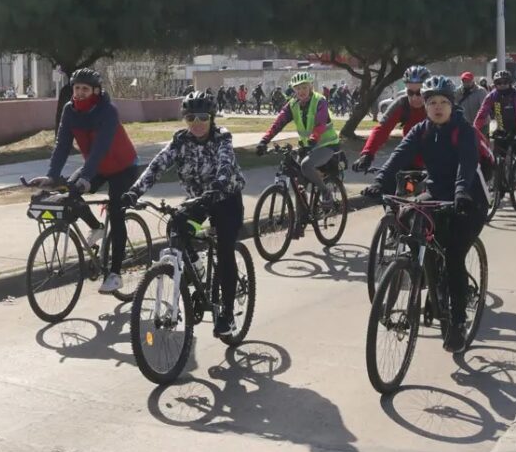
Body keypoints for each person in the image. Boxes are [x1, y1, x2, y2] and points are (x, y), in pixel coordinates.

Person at [361, 76, 487, 353]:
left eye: (443, 102)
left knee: (453, 255)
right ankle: (425, 277)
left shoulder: (462, 130)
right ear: (425, 106)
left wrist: (462, 194)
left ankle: (456, 321)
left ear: (452, 105)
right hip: (436, 193)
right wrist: (379, 183)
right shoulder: (421, 130)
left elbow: (467, 165)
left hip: (469, 199)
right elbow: (398, 157)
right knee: (409, 216)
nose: (438, 107)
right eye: (432, 103)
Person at [122, 91, 245, 336]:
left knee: (224, 250)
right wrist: (134, 192)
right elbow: (157, 165)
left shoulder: (222, 138)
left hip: (226, 198)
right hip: (198, 201)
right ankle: (195, 271)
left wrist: (218, 186)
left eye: (202, 117)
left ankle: (227, 315)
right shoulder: (180, 141)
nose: (196, 124)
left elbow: (225, 163)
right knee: (175, 227)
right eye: (190, 118)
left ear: (211, 117)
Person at [28, 68, 140, 294]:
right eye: (76, 88)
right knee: (71, 193)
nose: (79, 92)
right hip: (96, 166)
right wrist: (51, 176)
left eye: (85, 89)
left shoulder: (107, 111)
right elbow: (62, 146)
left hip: (123, 167)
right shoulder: (70, 111)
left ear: (96, 91)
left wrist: (87, 177)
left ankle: (115, 274)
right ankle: (96, 228)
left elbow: (101, 148)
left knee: (117, 213)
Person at [257, 71, 341, 213]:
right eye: (298, 88)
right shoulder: (293, 105)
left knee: (306, 165)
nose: (301, 91)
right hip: (308, 146)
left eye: (304, 87)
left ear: (310, 87)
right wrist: (264, 141)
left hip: (327, 145)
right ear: (294, 90)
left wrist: (313, 139)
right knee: (298, 182)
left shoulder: (320, 101)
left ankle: (325, 191)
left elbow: (320, 124)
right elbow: (278, 123)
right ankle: (299, 223)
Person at [352, 65, 431, 172]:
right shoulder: (402, 104)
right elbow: (382, 129)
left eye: (419, 93)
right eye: (410, 93)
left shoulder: (439, 104)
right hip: (409, 158)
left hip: (436, 160)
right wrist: (367, 154)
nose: (414, 98)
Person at [473, 70, 516, 181]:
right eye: (499, 83)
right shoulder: (492, 96)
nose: (502, 85)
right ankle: (500, 184)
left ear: (510, 83)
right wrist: (474, 129)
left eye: (505, 82)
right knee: (496, 157)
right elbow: (483, 112)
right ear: (495, 84)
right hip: (500, 128)